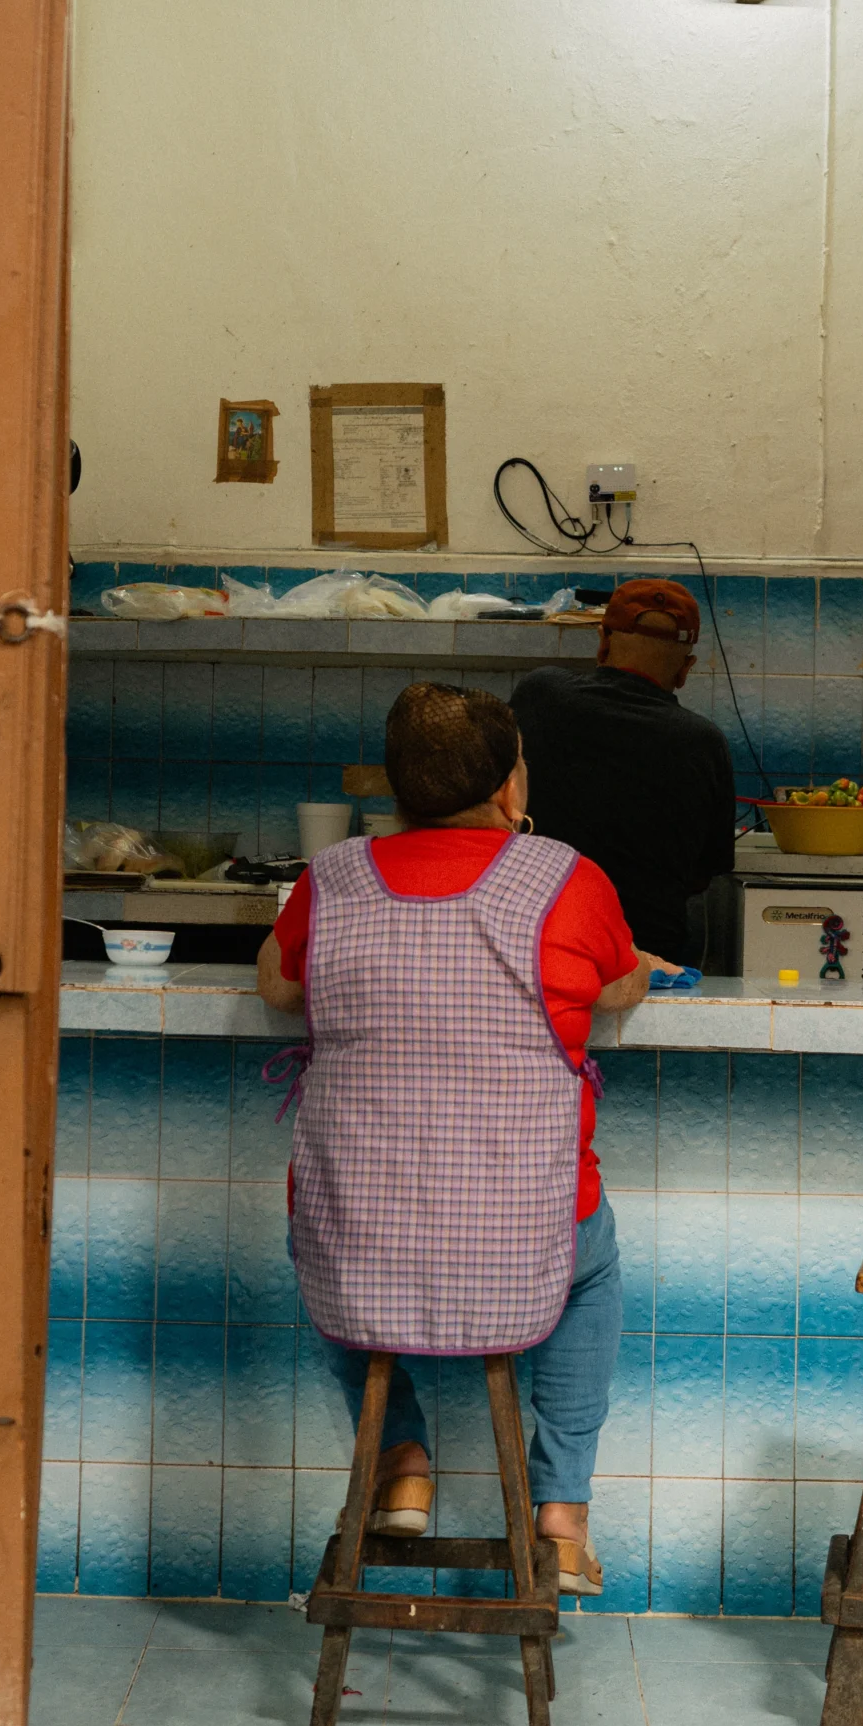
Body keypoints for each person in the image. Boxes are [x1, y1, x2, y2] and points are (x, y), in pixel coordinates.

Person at [257, 681, 672, 1595]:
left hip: (358, 1234)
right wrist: (627, 966)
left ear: (396, 792)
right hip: (525, 1233)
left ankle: (402, 1455)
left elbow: (281, 990)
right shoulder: (566, 877)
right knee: (591, 1269)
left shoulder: (331, 878)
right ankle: (560, 1515)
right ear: (511, 786)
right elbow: (617, 988)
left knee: (317, 1234)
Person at [511, 577, 737, 969]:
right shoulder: (705, 743)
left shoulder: (539, 694)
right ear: (685, 670)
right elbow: (702, 877)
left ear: (603, 641)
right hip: (646, 963)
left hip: (540, 951)